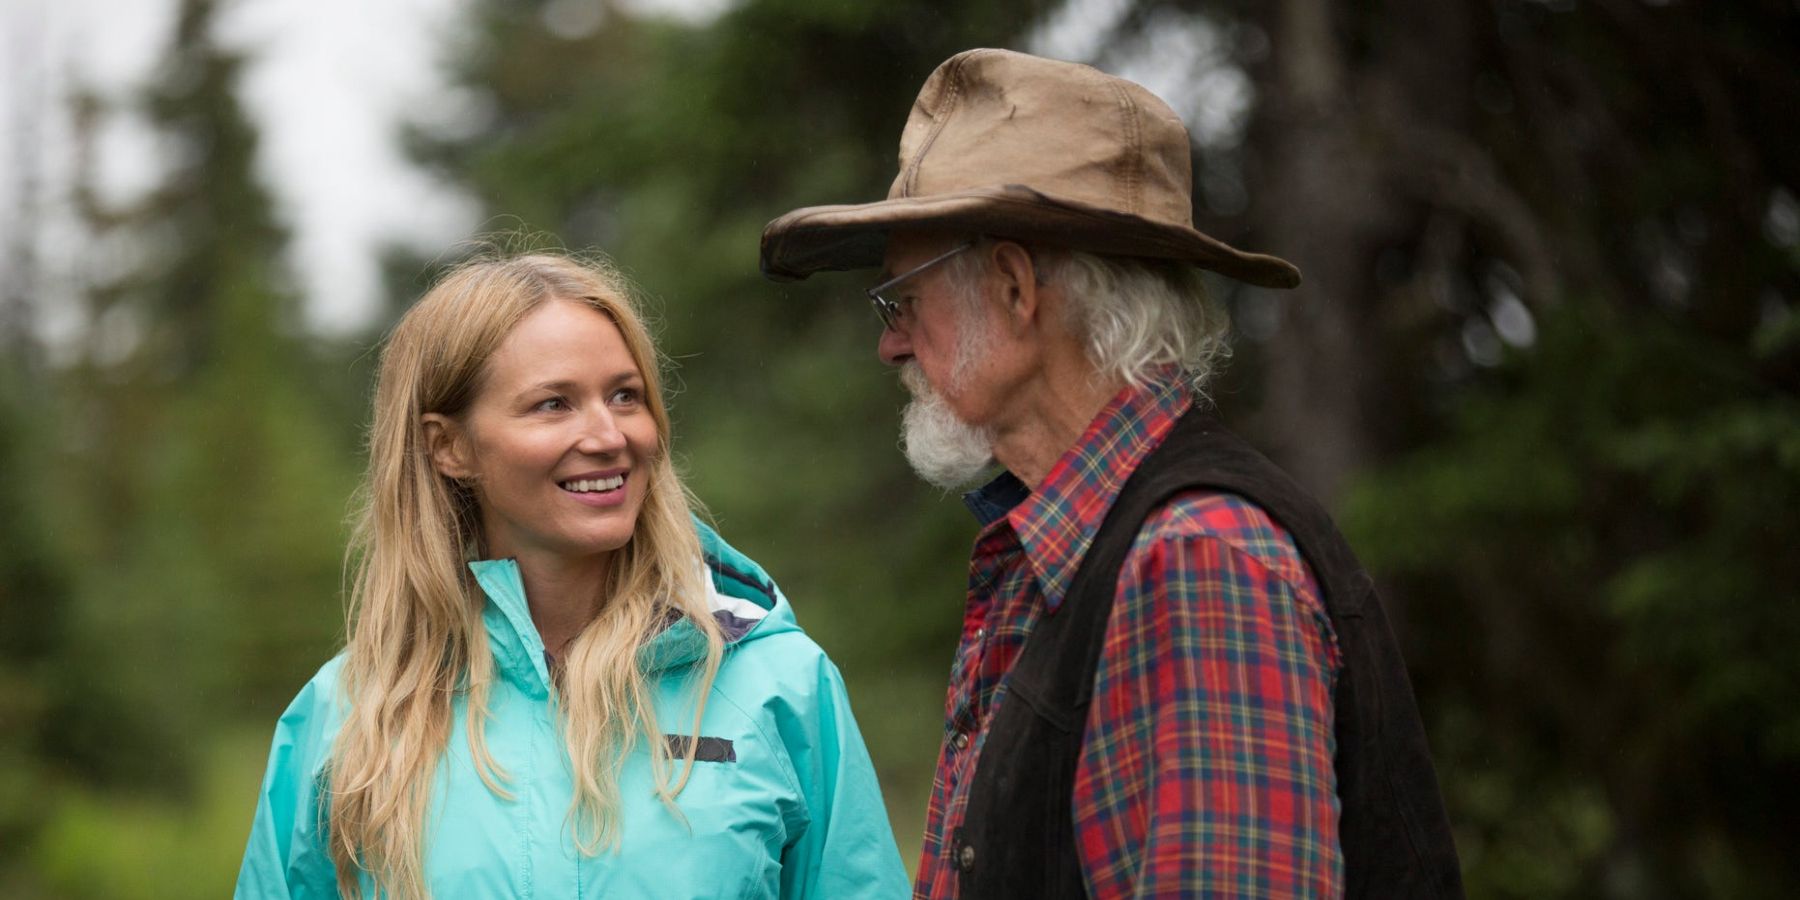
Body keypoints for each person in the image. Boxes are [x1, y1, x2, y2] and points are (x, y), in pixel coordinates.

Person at [760, 49, 1464, 899]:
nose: (891, 343)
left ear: (1016, 287)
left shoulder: (1200, 559)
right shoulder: (1081, 546)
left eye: (900, 299)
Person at [235, 252, 910, 899]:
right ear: (449, 446)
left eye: (625, 396)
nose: (608, 435)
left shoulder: (779, 684)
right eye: (553, 404)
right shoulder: (349, 715)